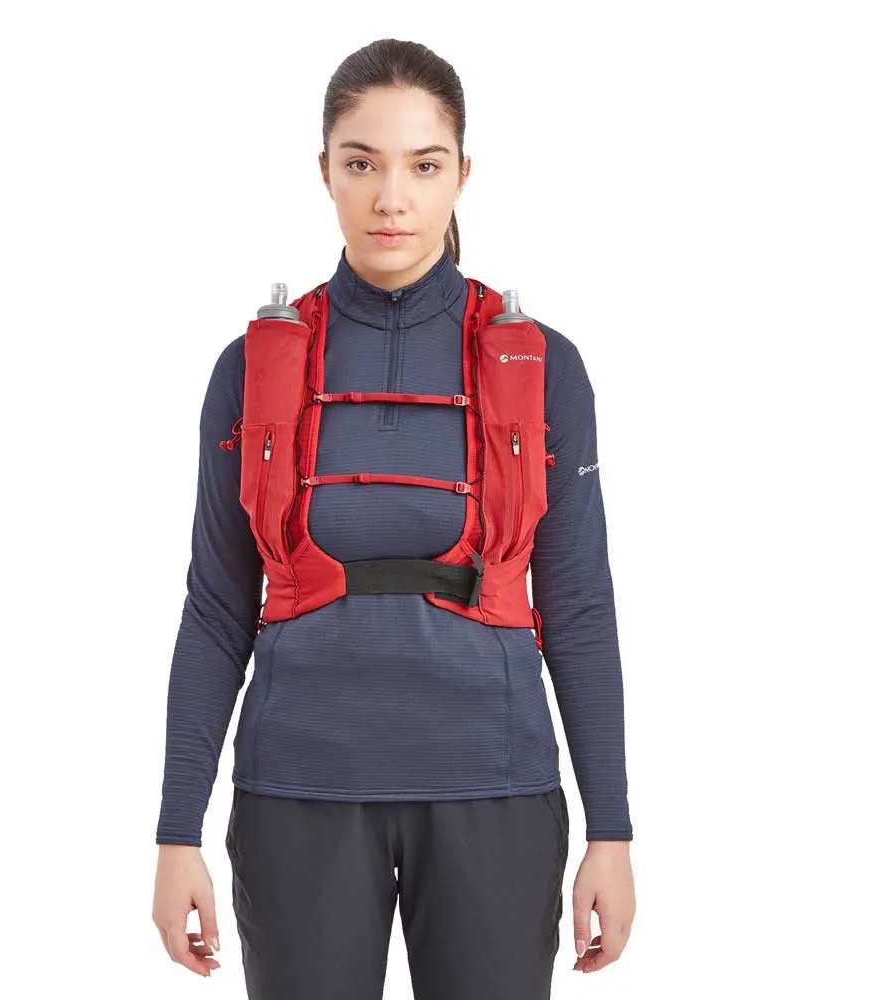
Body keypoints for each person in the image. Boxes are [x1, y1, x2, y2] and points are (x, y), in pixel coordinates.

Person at [152, 37, 635, 998]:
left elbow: (578, 605)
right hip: (297, 794)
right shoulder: (251, 368)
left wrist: (611, 832)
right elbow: (215, 609)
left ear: (462, 175)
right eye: (362, 163)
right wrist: (176, 833)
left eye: (424, 166)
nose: (390, 199)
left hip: (497, 789)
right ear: (324, 170)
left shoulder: (545, 366)